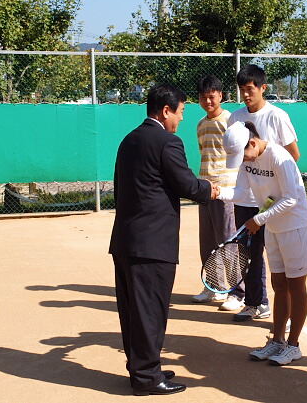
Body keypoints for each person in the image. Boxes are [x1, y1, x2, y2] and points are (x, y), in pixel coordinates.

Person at [109, 84, 216, 396]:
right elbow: (185, 184)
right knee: (150, 311)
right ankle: (146, 378)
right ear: (165, 110)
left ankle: (142, 367)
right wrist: (210, 189)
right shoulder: (168, 141)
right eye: (180, 112)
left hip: (127, 240)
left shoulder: (129, 140)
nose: (181, 119)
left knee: (133, 310)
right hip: (152, 244)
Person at [217, 121, 307, 365]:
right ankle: (277, 340)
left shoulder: (279, 156)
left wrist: (258, 219)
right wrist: (217, 192)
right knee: (279, 285)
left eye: (244, 155)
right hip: (273, 229)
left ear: (252, 143)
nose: (244, 161)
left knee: (296, 287)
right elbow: (243, 193)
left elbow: (292, 198)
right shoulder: (247, 159)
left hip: (295, 228)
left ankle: (293, 346)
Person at [227, 64, 300, 322]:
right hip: (246, 197)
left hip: (274, 202)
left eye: (250, 89)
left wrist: (270, 198)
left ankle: (286, 314)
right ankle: (255, 303)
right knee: (249, 253)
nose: (246, 95)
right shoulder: (234, 118)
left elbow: (294, 155)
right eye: (242, 90)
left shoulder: (277, 116)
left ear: (263, 88)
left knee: (278, 255)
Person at [191, 75, 245, 312]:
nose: (207, 101)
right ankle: (213, 287)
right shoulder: (201, 124)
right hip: (205, 190)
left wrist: (229, 189)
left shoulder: (230, 121)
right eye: (203, 97)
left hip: (226, 191)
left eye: (211, 96)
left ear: (221, 96)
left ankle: (237, 293)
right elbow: (205, 155)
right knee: (208, 241)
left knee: (228, 242)